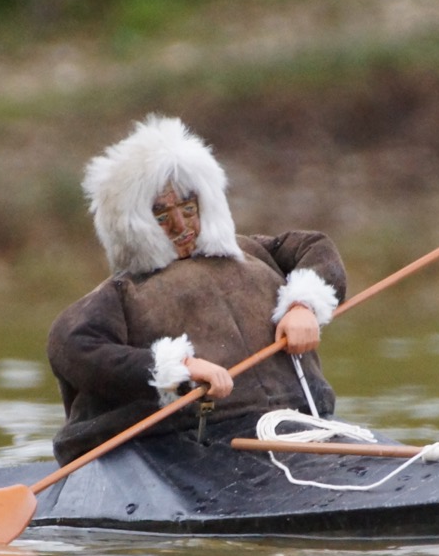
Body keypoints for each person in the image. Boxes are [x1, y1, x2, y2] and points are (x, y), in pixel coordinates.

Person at [47, 114, 347, 464]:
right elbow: (71, 345)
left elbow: (316, 247)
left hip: (302, 423)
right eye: (161, 216)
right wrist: (177, 369)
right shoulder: (123, 293)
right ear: (134, 225)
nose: (180, 225)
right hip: (183, 445)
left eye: (188, 208)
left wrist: (303, 305)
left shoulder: (252, 252)